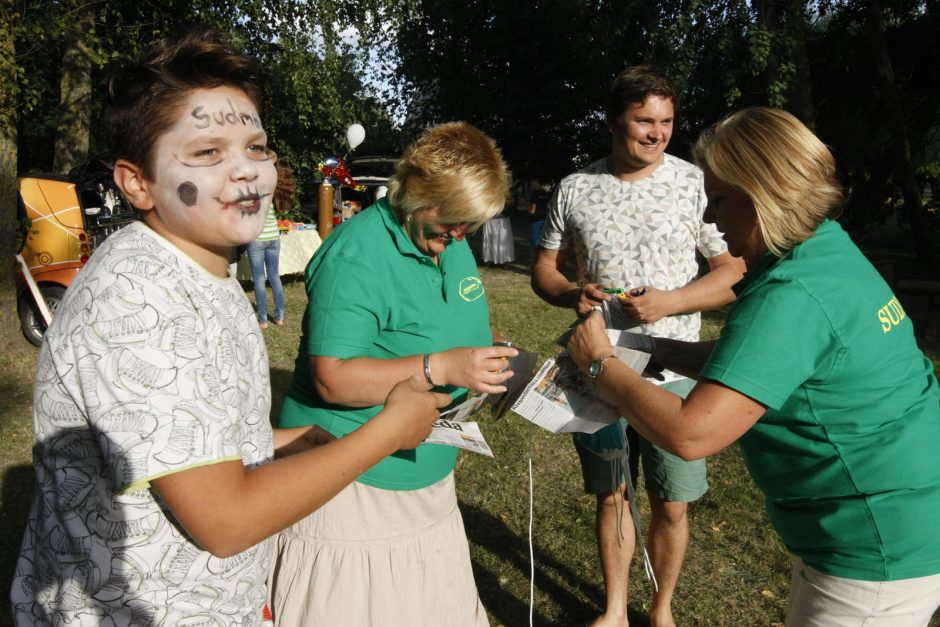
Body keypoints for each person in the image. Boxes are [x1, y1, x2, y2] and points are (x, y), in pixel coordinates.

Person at [10, 26, 449, 626]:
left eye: (257, 148)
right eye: (208, 153)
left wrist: (298, 444)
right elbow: (225, 520)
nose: (247, 173)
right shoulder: (139, 301)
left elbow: (185, 448)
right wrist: (387, 431)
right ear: (136, 182)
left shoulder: (200, 268)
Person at [567, 106, 940, 626]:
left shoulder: (793, 295)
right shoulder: (824, 253)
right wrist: (661, 351)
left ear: (762, 191)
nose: (709, 219)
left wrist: (600, 365)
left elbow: (692, 434)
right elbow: (763, 363)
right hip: (897, 522)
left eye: (718, 198)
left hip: (871, 543)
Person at [268, 122, 517, 626]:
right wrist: (440, 367)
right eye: (452, 220)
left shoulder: (449, 237)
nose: (459, 236)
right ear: (417, 191)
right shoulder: (356, 253)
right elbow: (332, 378)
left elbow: (456, 313)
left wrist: (485, 350)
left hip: (426, 472)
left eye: (469, 225)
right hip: (354, 485)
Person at [531, 65, 746, 627]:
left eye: (667, 121)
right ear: (613, 121)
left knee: (672, 500)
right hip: (599, 365)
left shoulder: (695, 184)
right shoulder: (575, 188)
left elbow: (733, 271)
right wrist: (573, 291)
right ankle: (614, 610)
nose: (657, 133)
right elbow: (544, 272)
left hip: (674, 370)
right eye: (643, 121)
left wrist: (670, 302)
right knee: (613, 494)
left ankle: (663, 608)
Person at [246, 159, 293, 329]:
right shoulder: (278, 191)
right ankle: (279, 317)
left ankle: (263, 320)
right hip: (274, 237)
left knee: (259, 278)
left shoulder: (259, 189)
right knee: (274, 276)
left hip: (257, 238)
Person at [527, 176, 551, 258]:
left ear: (535, 181)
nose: (531, 183)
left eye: (532, 181)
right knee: (541, 241)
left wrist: (525, 205)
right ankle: (541, 258)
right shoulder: (546, 193)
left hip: (535, 220)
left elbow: (532, 210)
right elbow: (548, 207)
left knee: (534, 243)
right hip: (544, 219)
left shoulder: (535, 193)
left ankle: (535, 260)